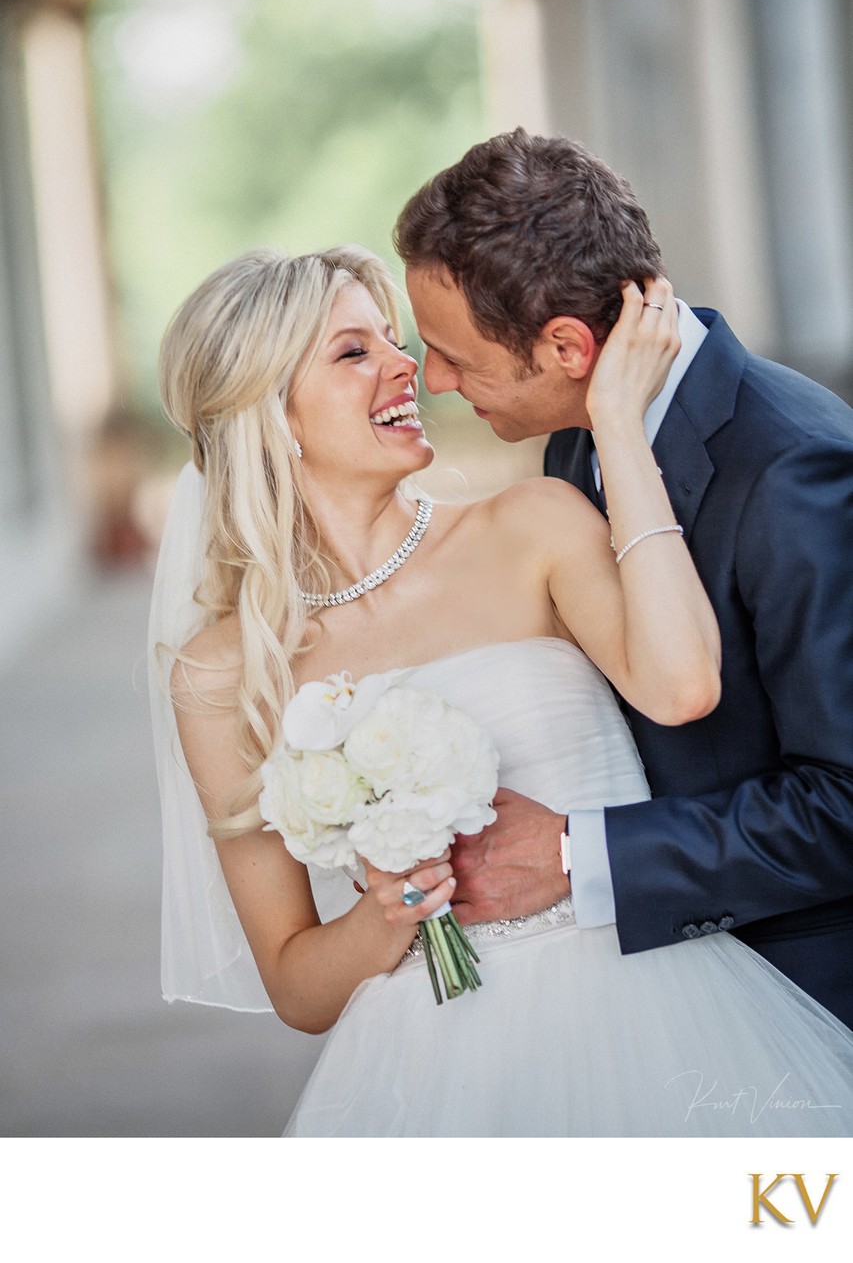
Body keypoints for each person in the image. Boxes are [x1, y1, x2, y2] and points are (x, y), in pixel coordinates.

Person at [150, 242, 853, 1136]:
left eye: (393, 341)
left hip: (655, 1010)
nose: (410, 367)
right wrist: (391, 907)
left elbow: (680, 685)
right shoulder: (221, 674)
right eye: (353, 351)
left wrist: (618, 425)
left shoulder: (534, 525)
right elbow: (297, 984)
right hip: (429, 1073)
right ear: (268, 412)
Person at [394, 126, 853, 1031]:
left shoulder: (797, 472)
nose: (433, 378)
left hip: (797, 1004)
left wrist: (577, 853)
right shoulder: (576, 431)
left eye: (455, 354)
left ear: (567, 347)